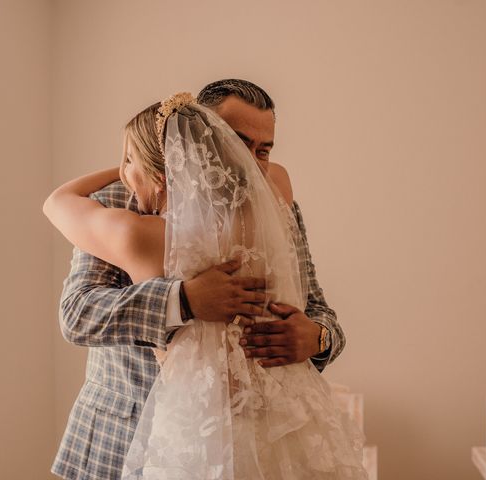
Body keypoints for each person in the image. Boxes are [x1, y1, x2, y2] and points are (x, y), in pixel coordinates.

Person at [45, 80, 347, 480]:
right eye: (237, 144)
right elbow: (77, 314)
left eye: (264, 151)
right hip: (121, 437)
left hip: (249, 439)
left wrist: (318, 338)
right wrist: (183, 300)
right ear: (201, 136)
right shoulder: (119, 203)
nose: (253, 164)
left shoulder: (276, 206)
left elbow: (319, 310)